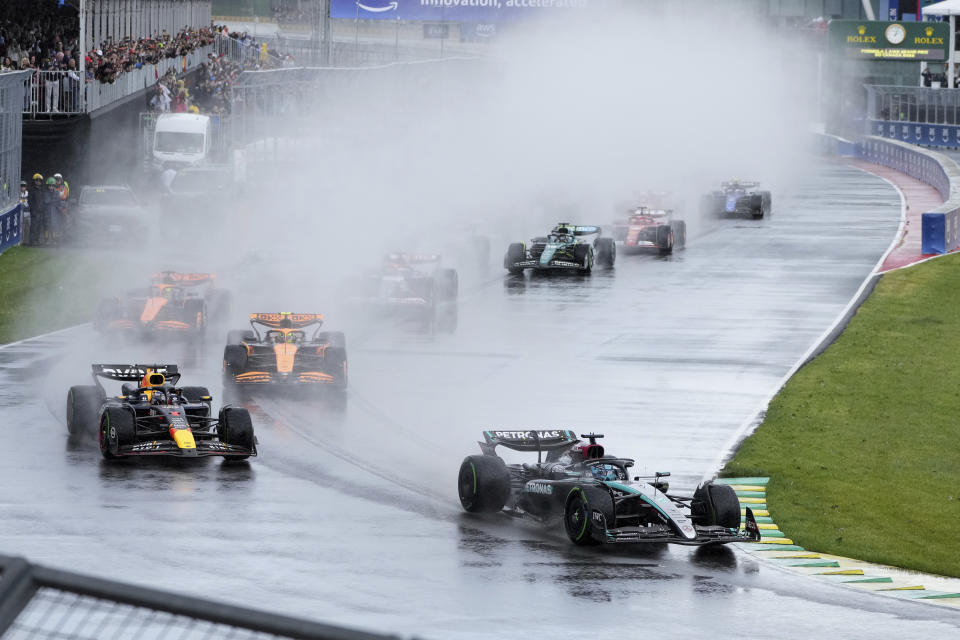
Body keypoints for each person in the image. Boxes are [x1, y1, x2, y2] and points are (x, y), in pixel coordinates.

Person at [27, 173, 44, 245]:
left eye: (39, 180)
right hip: (34, 211)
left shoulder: (42, 190)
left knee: (39, 227)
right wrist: (32, 210)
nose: (38, 181)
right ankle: (32, 241)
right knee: (33, 226)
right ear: (34, 181)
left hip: (40, 211)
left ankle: (37, 240)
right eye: (36, 180)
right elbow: (30, 201)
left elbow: (43, 201)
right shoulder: (31, 190)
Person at [19, 180, 29, 245]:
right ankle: (20, 241)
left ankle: (26, 241)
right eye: (21, 186)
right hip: (20, 213)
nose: (23, 187)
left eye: (24, 186)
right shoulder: (17, 193)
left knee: (27, 228)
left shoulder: (28, 193)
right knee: (21, 228)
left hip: (27, 212)